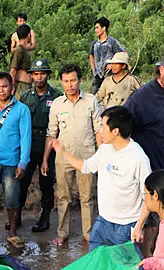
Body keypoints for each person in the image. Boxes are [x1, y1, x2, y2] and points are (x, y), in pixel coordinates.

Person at [52, 106, 151, 252]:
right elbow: (86, 167)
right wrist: (63, 153)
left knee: (124, 269)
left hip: (126, 227)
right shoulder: (106, 149)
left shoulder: (138, 158)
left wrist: (139, 226)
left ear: (115, 131)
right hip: (103, 222)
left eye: (103, 127)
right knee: (96, 263)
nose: (100, 131)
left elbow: (148, 196)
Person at [43, 63, 102, 246]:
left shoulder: (91, 101)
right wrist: (45, 159)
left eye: (73, 80)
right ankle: (62, 233)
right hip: (63, 158)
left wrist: (103, 155)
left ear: (80, 80)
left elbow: (98, 130)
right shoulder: (57, 105)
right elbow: (51, 134)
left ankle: (88, 233)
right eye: (66, 81)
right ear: (61, 82)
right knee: (63, 197)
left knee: (87, 197)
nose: (70, 85)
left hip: (87, 157)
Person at [0, 72, 32, 248]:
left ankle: (12, 232)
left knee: (12, 198)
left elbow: (25, 137)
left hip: (11, 163)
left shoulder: (22, 110)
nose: (1, 90)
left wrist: (23, 162)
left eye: (4, 86)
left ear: (12, 87)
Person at [18, 59, 61, 233]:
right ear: (31, 76)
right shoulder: (25, 97)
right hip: (28, 145)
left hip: (48, 145)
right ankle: (17, 215)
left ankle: (45, 216)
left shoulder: (57, 96)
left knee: (46, 182)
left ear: (48, 75)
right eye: (35, 74)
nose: (39, 77)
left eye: (42, 73)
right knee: (22, 181)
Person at [89, 17, 125, 95]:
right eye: (95, 28)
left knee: (110, 96)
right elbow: (91, 55)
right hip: (97, 75)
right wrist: (93, 69)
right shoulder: (95, 43)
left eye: (97, 28)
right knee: (92, 98)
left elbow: (123, 53)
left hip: (109, 75)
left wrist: (113, 65)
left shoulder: (112, 42)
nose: (95, 30)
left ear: (104, 28)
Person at [10, 24, 33, 99]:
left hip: (27, 86)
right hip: (21, 86)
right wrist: (12, 87)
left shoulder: (25, 50)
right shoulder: (18, 50)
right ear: (29, 35)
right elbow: (13, 70)